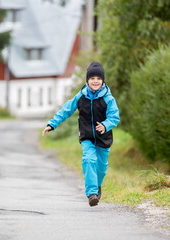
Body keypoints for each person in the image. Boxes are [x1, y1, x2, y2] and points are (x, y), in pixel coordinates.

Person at [42, 61, 120, 207]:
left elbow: (114, 117)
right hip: (87, 135)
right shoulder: (81, 96)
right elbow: (66, 110)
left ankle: (97, 186)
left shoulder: (109, 99)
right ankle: (91, 194)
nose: (95, 81)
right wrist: (52, 124)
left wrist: (105, 125)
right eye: (92, 78)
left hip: (104, 137)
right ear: (87, 80)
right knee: (89, 159)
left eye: (98, 78)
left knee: (101, 167)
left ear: (102, 80)